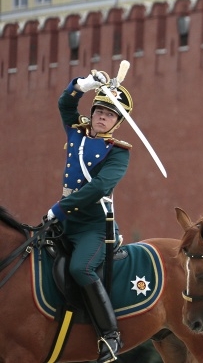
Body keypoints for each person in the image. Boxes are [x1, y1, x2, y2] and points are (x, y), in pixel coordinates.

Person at [45, 71, 133, 363]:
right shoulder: (76, 133)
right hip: (63, 222)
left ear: (117, 122)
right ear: (92, 113)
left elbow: (99, 187)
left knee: (81, 269)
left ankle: (110, 336)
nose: (103, 117)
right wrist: (82, 85)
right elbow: (65, 106)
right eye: (100, 111)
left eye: (110, 114)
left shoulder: (118, 153)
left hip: (93, 227)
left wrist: (59, 208)